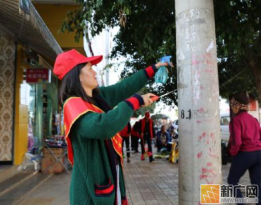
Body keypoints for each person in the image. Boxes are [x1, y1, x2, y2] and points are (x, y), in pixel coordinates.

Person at [53, 49, 171, 205]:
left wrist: (154, 68)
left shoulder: (97, 97)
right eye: (89, 68)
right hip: (89, 192)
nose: (94, 72)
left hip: (108, 177)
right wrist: (135, 101)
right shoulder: (72, 105)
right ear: (78, 75)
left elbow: (124, 87)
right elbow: (104, 126)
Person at [227, 92, 261, 205]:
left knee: (232, 181)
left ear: (236, 105)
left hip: (245, 153)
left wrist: (233, 154)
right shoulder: (254, 120)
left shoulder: (236, 120)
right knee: (257, 183)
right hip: (258, 153)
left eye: (232, 105)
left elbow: (237, 142)